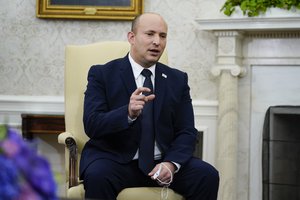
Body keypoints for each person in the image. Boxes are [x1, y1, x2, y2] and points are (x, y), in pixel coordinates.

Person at [80, 12, 219, 200]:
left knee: (207, 175)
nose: (157, 42)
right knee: (98, 176)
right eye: (150, 34)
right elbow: (92, 124)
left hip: (162, 162)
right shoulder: (102, 74)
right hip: (116, 161)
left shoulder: (177, 79)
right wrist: (127, 113)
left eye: (162, 36)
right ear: (132, 37)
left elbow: (187, 131)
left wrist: (171, 164)